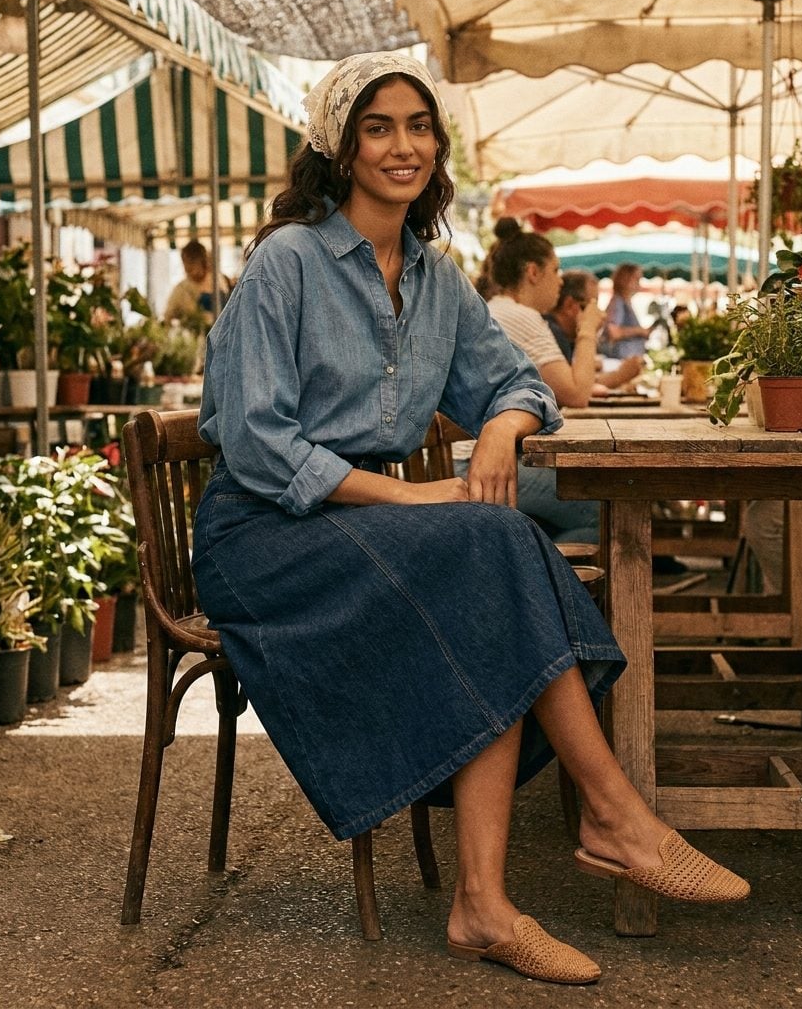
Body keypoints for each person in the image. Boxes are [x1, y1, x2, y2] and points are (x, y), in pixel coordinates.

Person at [192, 51, 748, 986]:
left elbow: (523, 383)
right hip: (266, 538)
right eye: (379, 127)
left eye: (419, 126)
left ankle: (490, 900)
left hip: (369, 532)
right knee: (493, 549)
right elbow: (257, 445)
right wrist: (410, 494)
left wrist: (500, 432)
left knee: (489, 560)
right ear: (340, 146)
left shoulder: (434, 276)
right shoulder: (289, 261)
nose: (403, 146)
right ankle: (608, 816)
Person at [452, 221, 601, 544]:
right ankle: (541, 582)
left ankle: (535, 566)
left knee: (586, 502)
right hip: (475, 464)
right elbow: (577, 394)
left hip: (469, 458)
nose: (560, 282)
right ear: (533, 272)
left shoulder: (495, 309)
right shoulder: (521, 316)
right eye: (556, 270)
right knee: (603, 508)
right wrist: (587, 328)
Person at [547, 270, 644, 392]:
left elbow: (579, 381)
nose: (602, 315)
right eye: (593, 305)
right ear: (570, 305)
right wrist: (619, 377)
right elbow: (573, 392)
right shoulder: (552, 335)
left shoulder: (565, 337)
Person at [162, 239, 231, 328]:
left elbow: (226, 309)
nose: (187, 268)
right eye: (185, 264)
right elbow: (168, 315)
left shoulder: (217, 280)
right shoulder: (181, 289)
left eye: (192, 263)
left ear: (202, 261)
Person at [600, 261, 650, 359]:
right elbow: (613, 332)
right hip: (619, 362)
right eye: (636, 279)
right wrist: (639, 331)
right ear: (625, 279)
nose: (639, 284)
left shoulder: (624, 302)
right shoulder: (617, 302)